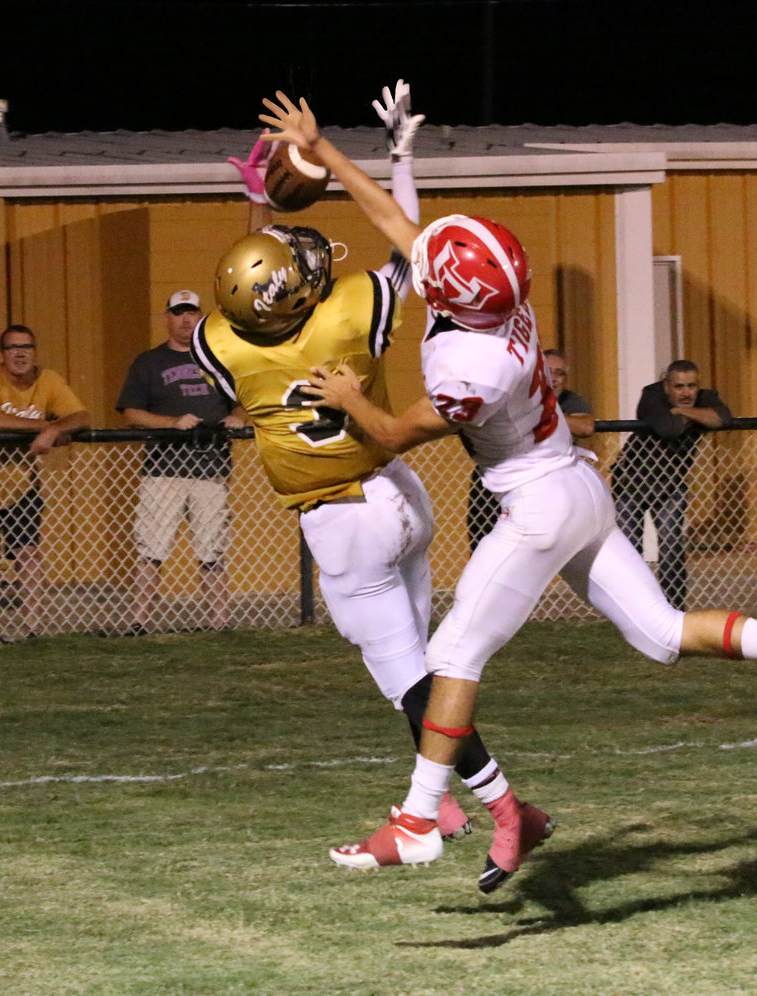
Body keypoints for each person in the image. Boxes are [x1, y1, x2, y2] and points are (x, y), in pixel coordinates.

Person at [258, 90, 757, 894]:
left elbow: (387, 435)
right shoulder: (498, 307)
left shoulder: (470, 369)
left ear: (453, 296)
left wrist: (348, 394)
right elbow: (396, 225)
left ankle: (419, 819)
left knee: (450, 655)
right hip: (578, 484)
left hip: (539, 502)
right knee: (661, 634)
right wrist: (334, 151)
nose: (425, 250)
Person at [190, 81, 522, 851]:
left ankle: (497, 806)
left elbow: (252, 288)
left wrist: (258, 210)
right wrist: (396, 157)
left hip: (342, 527)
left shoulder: (219, 343)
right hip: (399, 491)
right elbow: (414, 246)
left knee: (409, 683)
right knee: (422, 665)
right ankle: (435, 806)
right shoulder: (346, 311)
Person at [116, 292, 245, 634]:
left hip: (211, 467)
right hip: (164, 469)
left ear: (202, 317)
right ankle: (139, 621)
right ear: (167, 318)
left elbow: (245, 400)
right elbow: (131, 412)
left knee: (212, 548)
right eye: (178, 313)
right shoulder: (149, 362)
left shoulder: (220, 359)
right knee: (151, 546)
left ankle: (219, 623)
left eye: (191, 313)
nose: (186, 320)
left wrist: (238, 418)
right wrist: (171, 423)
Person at [0, 324, 90, 642]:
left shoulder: (49, 380)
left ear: (35, 351)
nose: (20, 354)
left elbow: (82, 417)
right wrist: (50, 427)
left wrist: (57, 429)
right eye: (13, 348)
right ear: (2, 355)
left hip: (22, 485)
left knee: (28, 553)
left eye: (27, 347)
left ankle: (33, 628)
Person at [611, 360, 732, 610]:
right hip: (631, 482)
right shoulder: (651, 395)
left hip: (671, 484)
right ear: (667, 386)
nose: (686, 393)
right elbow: (669, 428)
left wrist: (684, 412)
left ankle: (672, 607)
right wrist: (697, 417)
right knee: (631, 547)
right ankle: (632, 606)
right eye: (679, 387)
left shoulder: (706, 396)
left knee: (671, 546)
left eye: (691, 386)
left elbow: (724, 418)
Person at [468, 348, 594, 549]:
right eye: (548, 371)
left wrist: (537, 412)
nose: (554, 378)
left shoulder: (569, 401)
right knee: (485, 541)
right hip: (498, 476)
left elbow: (586, 426)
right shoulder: (512, 392)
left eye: (559, 373)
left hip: (544, 482)